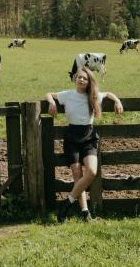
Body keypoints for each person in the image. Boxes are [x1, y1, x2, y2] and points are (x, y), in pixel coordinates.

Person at [45, 67, 124, 222]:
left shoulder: (93, 96)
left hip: (89, 136)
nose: (81, 80)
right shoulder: (67, 95)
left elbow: (108, 94)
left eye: (85, 78)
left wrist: (117, 101)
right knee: (77, 175)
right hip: (72, 137)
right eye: (79, 77)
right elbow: (48, 93)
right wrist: (51, 102)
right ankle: (85, 213)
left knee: (92, 172)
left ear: (89, 82)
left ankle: (67, 204)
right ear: (75, 79)